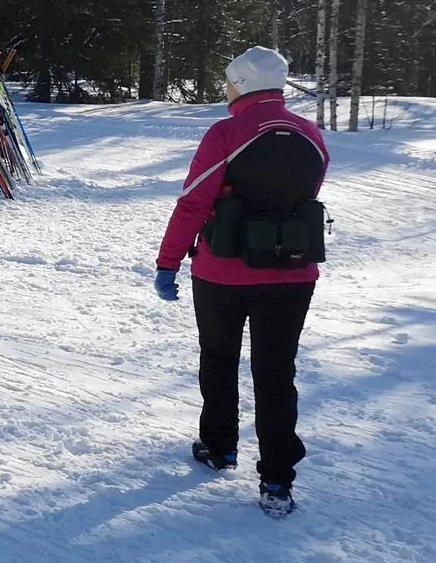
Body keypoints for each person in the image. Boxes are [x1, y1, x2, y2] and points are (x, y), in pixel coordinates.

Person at [152, 46, 329, 518]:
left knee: (219, 357)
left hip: (222, 272)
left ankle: (219, 446)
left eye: (229, 82)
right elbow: (306, 194)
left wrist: (168, 263)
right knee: (276, 373)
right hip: (293, 274)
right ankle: (276, 480)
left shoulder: (227, 132)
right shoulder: (310, 134)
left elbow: (193, 202)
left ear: (242, 84)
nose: (227, 90)